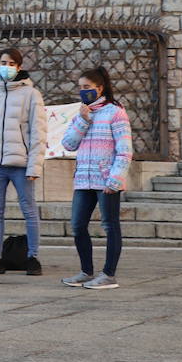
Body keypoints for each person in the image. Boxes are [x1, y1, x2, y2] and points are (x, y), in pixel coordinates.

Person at [0, 47, 46, 276]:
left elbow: (38, 132)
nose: (7, 66)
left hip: (21, 164)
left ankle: (32, 256)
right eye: (3, 62)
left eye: (11, 63)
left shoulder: (31, 94)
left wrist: (35, 165)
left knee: (29, 210)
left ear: (19, 67)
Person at [60, 67, 131, 290]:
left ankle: (108, 275)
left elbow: (125, 149)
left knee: (110, 226)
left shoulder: (116, 112)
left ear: (100, 88)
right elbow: (68, 144)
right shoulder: (82, 113)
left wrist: (115, 178)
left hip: (106, 180)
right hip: (83, 180)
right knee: (77, 225)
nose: (83, 91)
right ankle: (86, 271)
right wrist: (83, 120)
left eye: (87, 87)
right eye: (80, 87)